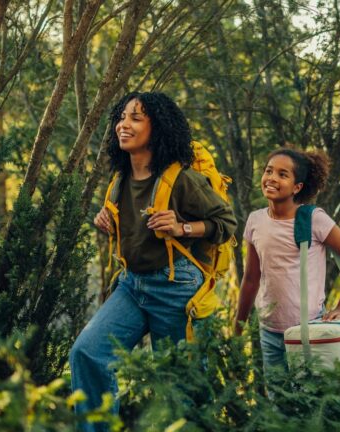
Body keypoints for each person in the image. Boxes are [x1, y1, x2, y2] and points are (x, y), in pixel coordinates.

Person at [70, 92, 237, 431]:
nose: (124, 124)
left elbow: (226, 224)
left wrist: (183, 226)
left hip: (177, 291)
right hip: (132, 287)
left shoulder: (183, 179)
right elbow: (130, 231)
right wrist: (106, 221)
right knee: (87, 353)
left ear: (156, 128)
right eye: (122, 117)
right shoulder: (119, 180)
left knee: (178, 388)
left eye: (135, 118)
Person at [234, 148, 340, 374]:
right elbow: (250, 279)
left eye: (283, 174)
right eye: (269, 171)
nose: (272, 178)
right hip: (269, 332)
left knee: (310, 395)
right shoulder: (255, 220)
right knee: (279, 398)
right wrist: (239, 326)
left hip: (309, 329)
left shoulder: (314, 219)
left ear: (297, 187)